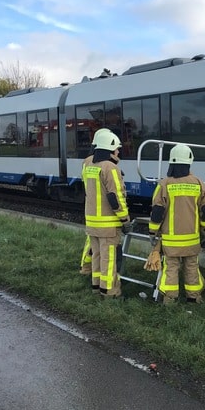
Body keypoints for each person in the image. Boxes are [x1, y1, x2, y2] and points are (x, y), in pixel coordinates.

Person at [148, 144, 205, 304]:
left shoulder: (164, 184)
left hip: (171, 240)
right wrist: (204, 230)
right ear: (189, 162)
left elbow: (157, 212)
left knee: (171, 269)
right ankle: (194, 297)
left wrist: (152, 233)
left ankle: (170, 299)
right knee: (191, 268)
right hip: (192, 239)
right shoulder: (198, 182)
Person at [83, 131, 131, 298]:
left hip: (92, 222)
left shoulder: (89, 165)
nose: (118, 152)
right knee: (109, 259)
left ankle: (97, 287)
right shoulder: (110, 168)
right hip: (108, 224)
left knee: (96, 255)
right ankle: (110, 292)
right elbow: (115, 196)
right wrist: (125, 220)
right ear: (110, 149)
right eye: (117, 149)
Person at [79, 128, 112, 279]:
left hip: (91, 209)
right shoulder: (104, 164)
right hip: (102, 212)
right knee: (99, 248)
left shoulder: (87, 162)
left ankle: (86, 268)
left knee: (91, 242)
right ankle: (88, 269)